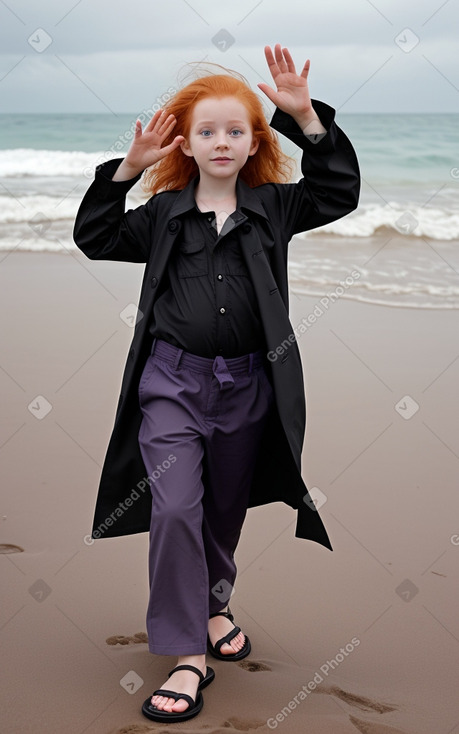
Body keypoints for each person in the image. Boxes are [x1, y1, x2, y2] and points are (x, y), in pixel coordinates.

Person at [73, 44, 360, 723]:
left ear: (254, 139)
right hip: (170, 383)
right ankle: (185, 654)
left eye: (236, 129)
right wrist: (128, 169)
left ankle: (212, 606)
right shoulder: (162, 214)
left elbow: (336, 192)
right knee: (174, 508)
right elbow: (95, 234)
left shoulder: (274, 209)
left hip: (249, 386)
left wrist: (307, 120)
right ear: (186, 141)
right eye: (208, 130)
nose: (222, 141)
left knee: (222, 512)